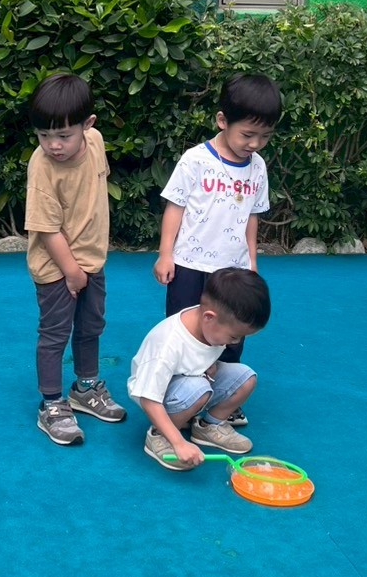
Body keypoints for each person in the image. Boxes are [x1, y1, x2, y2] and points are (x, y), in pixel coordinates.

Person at [25, 72, 127, 446]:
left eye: (63, 135)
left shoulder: (95, 142)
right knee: (55, 333)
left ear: (88, 125)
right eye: (43, 135)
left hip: (92, 261)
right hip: (57, 268)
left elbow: (96, 186)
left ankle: (85, 388)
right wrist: (71, 272)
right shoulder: (42, 167)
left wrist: (85, 266)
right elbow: (47, 229)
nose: (53, 145)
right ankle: (52, 403)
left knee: (91, 326)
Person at [154, 73, 279, 379]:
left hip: (234, 270)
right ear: (222, 121)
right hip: (189, 264)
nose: (255, 144)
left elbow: (252, 216)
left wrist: (252, 262)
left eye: (265, 136)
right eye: (247, 134)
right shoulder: (195, 160)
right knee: (185, 330)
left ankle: (224, 387)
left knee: (232, 331)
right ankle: (181, 387)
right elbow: (175, 207)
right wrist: (165, 254)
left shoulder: (258, 166)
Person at [128, 267, 270, 471]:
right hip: (156, 396)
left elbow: (200, 354)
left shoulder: (212, 321)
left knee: (246, 378)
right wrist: (179, 443)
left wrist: (210, 365)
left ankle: (209, 426)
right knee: (199, 390)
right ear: (209, 317)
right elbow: (148, 399)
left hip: (193, 382)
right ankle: (160, 436)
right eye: (233, 336)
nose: (236, 342)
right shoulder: (167, 344)